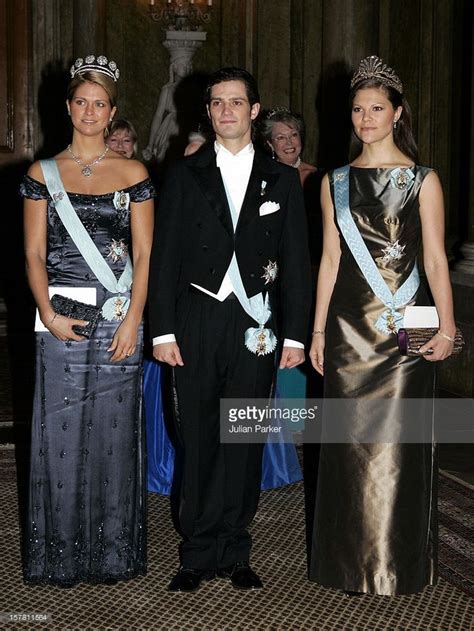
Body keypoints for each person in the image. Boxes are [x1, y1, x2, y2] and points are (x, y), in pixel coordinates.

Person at [148, 67, 311, 593]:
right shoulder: (184, 173)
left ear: (254, 110)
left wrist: (296, 335)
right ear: (209, 110)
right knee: (197, 435)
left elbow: (296, 261)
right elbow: (164, 256)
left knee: (242, 434)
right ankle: (196, 551)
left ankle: (236, 548)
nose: (226, 111)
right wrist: (163, 330)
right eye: (217, 103)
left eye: (236, 102)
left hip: (255, 325)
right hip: (196, 319)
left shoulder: (281, 178)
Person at [308, 55, 457, 596]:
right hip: (349, 327)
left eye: (376, 109)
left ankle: (396, 565)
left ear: (397, 114)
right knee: (347, 445)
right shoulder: (336, 183)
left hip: (407, 324)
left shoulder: (423, 180)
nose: (365, 119)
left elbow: (437, 261)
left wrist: (447, 328)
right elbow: (328, 260)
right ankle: (347, 563)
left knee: (400, 444)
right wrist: (319, 331)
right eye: (357, 110)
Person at [21, 55, 155, 587]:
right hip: (60, 315)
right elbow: (31, 253)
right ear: (69, 107)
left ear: (112, 110)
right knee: (61, 431)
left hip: (121, 313)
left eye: (100, 104)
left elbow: (145, 254)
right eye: (82, 101)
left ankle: (113, 555)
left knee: (115, 437)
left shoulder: (135, 173)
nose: (90, 111)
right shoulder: (41, 174)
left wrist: (134, 320)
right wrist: (48, 313)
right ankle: (60, 556)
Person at [142, 55, 193, 162]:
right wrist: (150, 145)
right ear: (174, 67)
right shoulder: (167, 90)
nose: (186, 67)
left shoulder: (194, 90)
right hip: (170, 126)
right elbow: (158, 116)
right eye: (182, 64)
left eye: (188, 64)